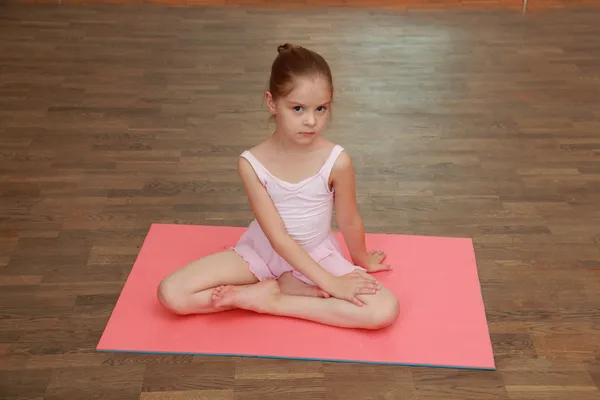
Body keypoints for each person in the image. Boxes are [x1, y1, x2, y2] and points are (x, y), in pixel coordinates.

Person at [157, 43, 400, 330]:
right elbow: (279, 239)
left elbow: (348, 218)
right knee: (171, 293)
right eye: (298, 108)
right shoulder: (251, 163)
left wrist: (361, 260)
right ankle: (280, 288)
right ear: (272, 102)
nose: (311, 120)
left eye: (321, 108)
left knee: (384, 310)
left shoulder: (338, 161)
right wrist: (333, 285)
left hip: (316, 255)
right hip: (263, 252)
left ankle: (274, 299)